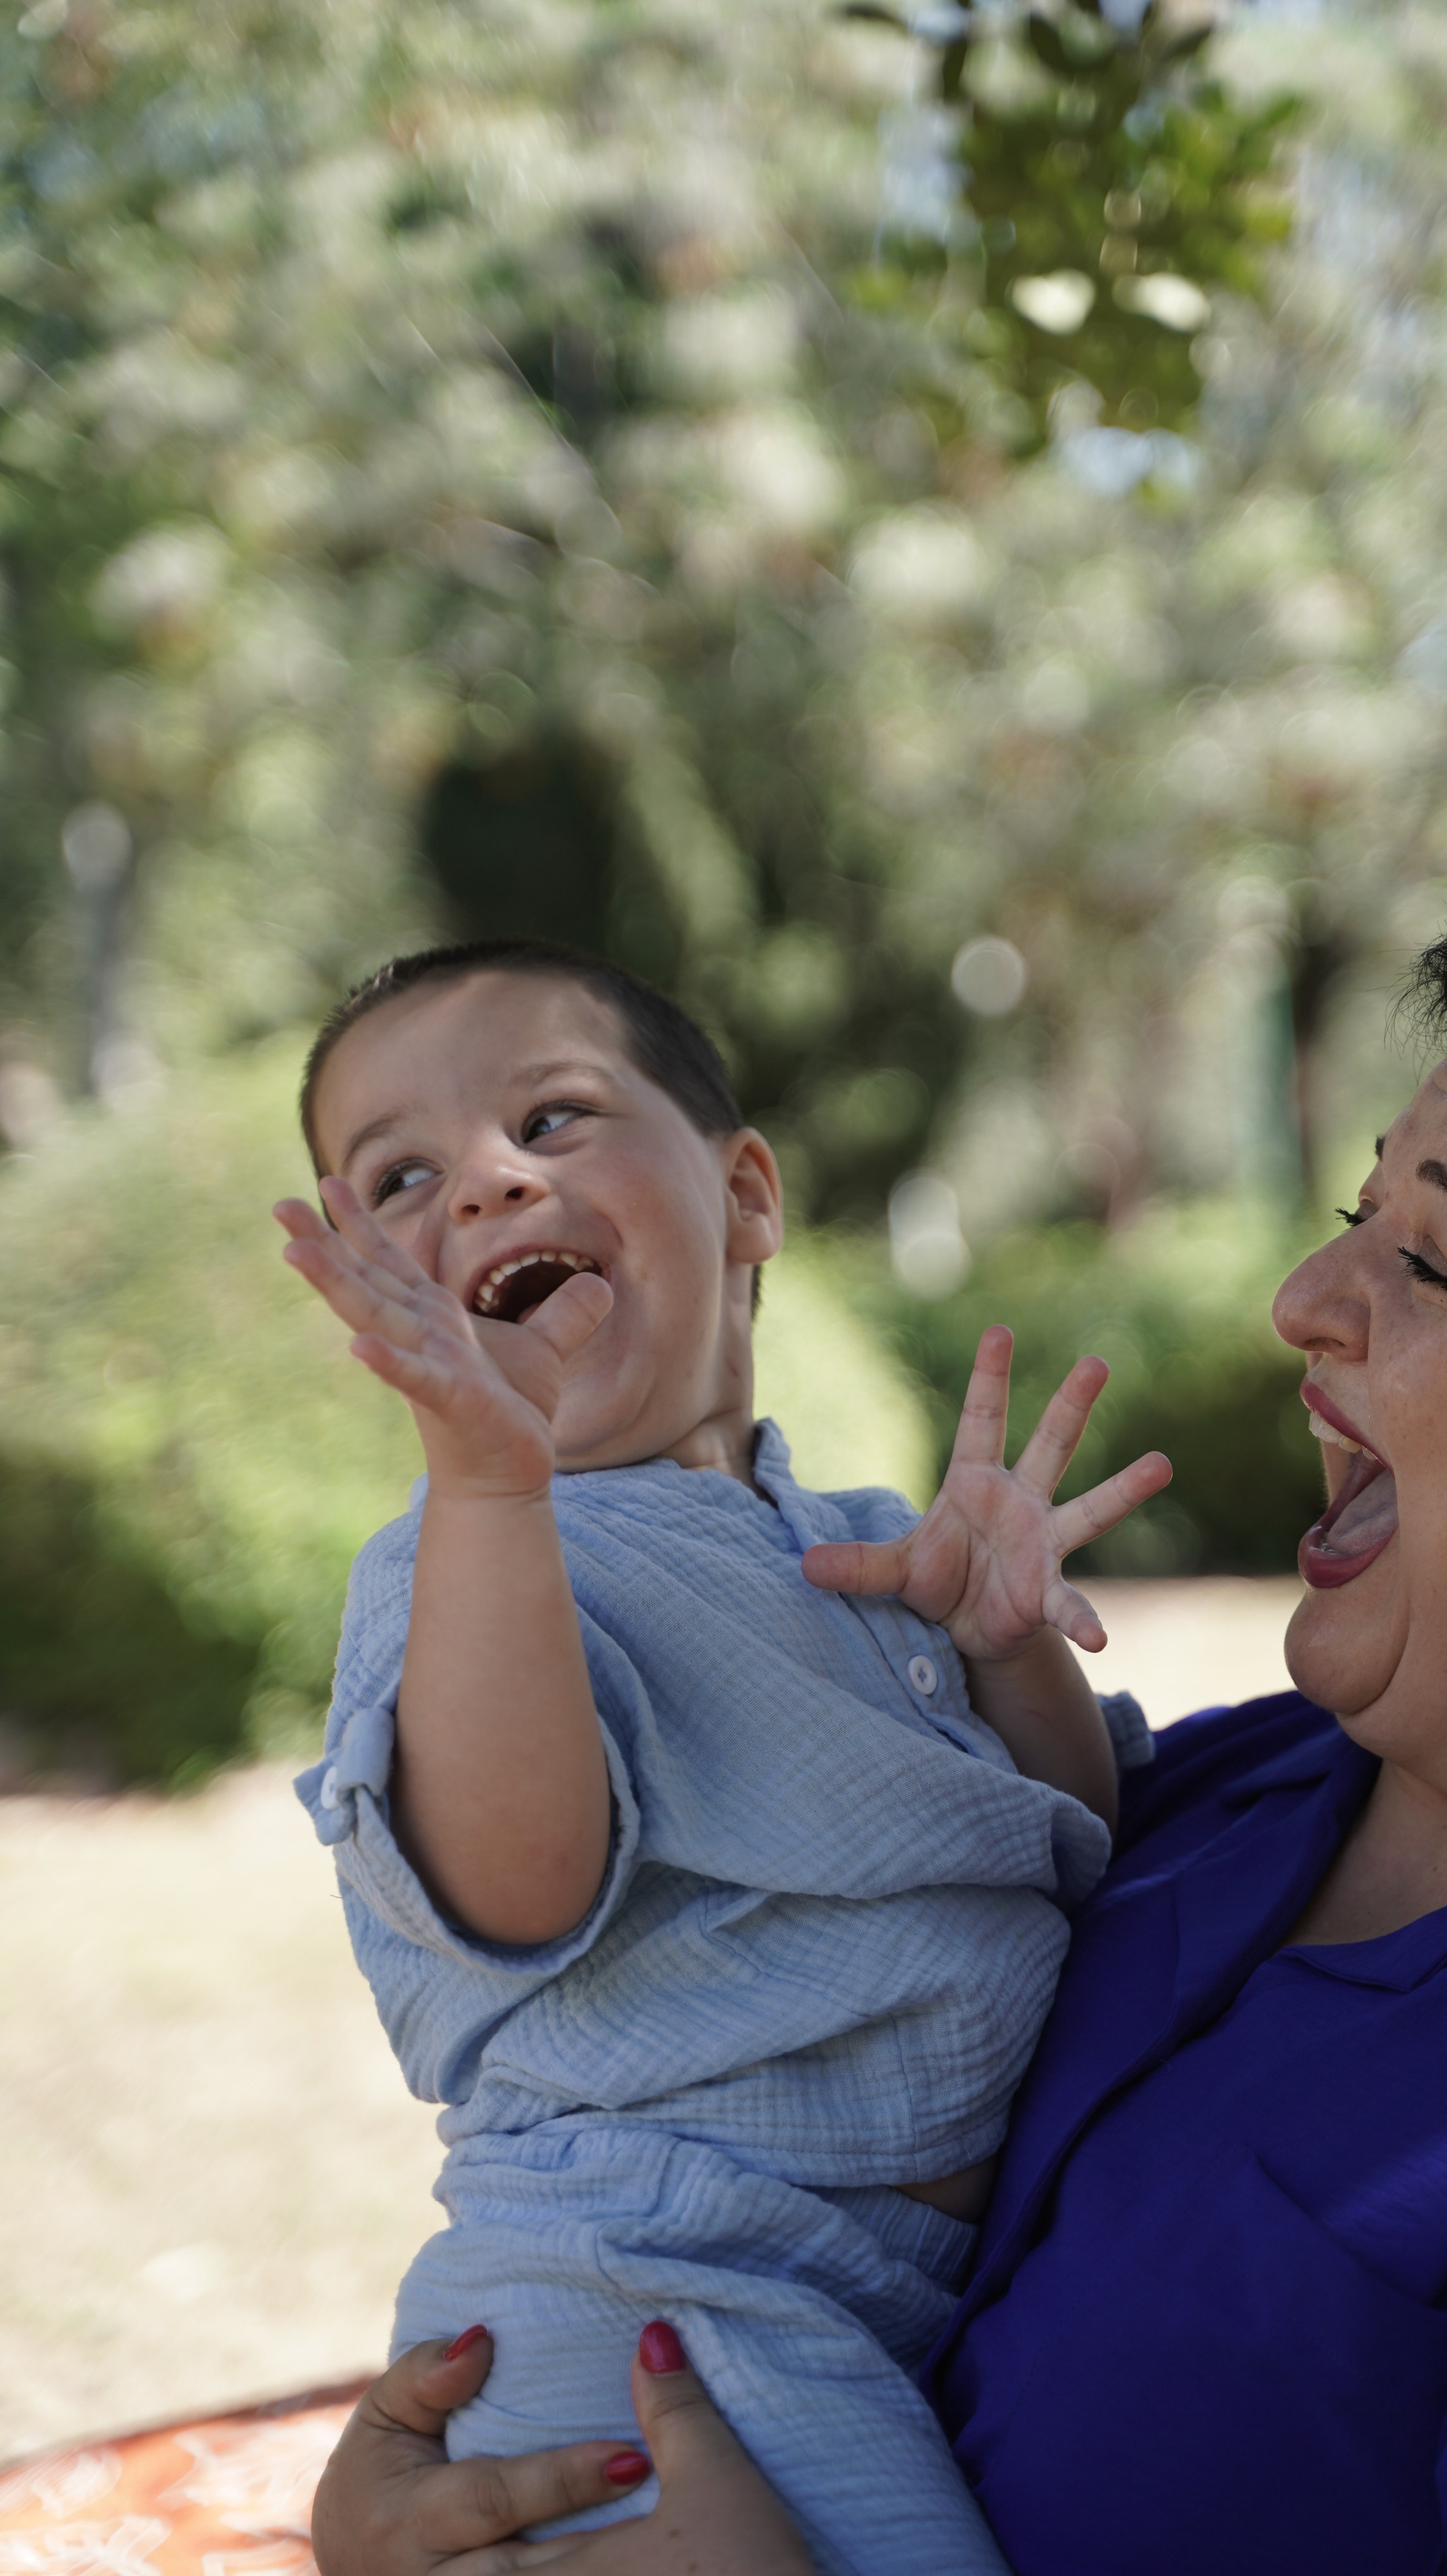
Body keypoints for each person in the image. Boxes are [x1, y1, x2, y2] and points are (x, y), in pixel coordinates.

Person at [312, 858, 1447, 2576]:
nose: (1301, 1296)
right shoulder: (1251, 1790)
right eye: (1357, 1212)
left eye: (1429, 1264)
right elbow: (558, 1907)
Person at [276, 942, 1170, 2576]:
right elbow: (517, 1883)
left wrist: (1005, 1643)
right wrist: (487, 1486)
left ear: (746, 1194)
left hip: (847, 2294)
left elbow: (1061, 1839)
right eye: (399, 1174)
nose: (482, 1181)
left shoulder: (867, 1547)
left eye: (551, 1117)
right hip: (641, 2300)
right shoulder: (479, 1564)